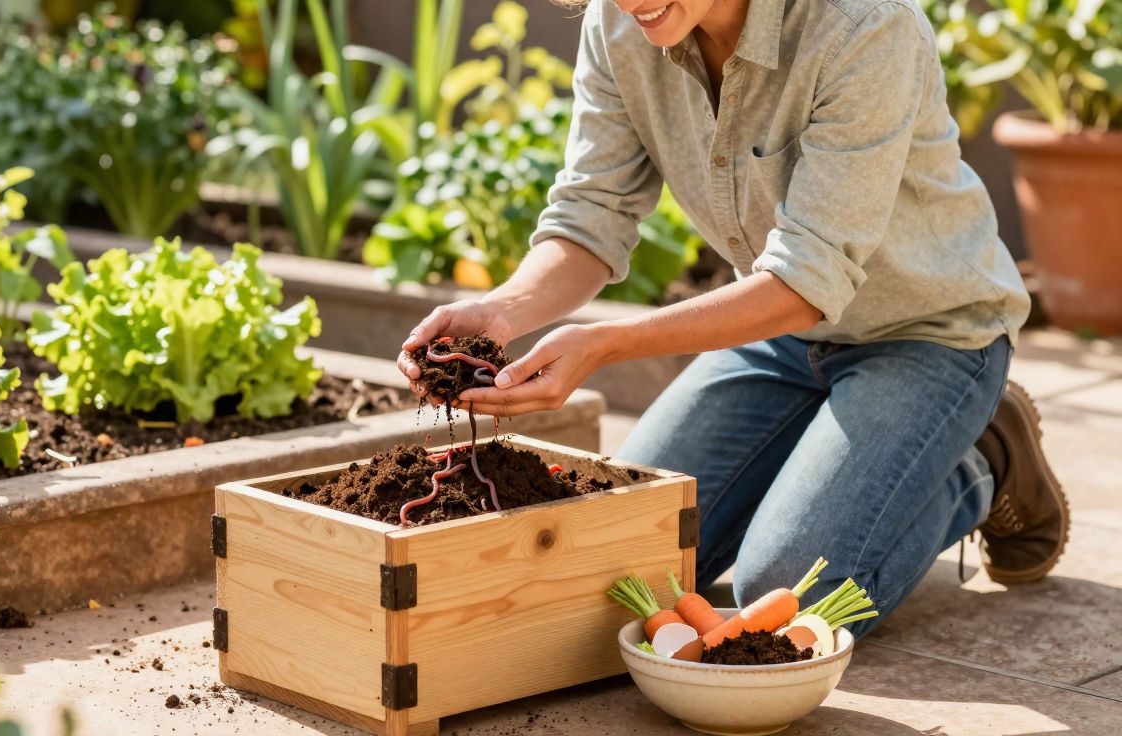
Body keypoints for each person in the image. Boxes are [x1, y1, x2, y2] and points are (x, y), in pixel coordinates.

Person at [397, 0, 1069, 633]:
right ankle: (844, 453)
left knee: (788, 593)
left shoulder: (863, 25)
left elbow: (807, 276)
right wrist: (500, 309)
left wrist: (606, 344)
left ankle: (980, 458)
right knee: (624, 560)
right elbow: (590, 217)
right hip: (779, 334)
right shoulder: (620, 20)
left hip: (929, 335)